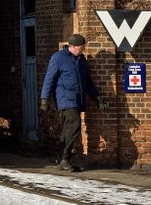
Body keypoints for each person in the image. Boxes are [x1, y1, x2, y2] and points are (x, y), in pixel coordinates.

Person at [40, 33, 107, 171]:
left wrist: (97, 97)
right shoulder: (58, 58)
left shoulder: (81, 59)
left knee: (68, 128)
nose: (83, 50)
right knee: (75, 123)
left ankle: (63, 159)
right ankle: (65, 158)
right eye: (81, 48)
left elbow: (87, 81)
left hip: (78, 98)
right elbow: (49, 79)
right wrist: (44, 99)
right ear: (73, 46)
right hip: (65, 98)